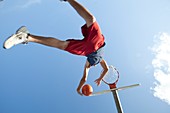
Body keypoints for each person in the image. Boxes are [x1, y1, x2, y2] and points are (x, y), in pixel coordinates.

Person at [3, 0, 109, 95]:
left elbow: (97, 73)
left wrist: (81, 87)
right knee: (87, 22)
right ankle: (28, 37)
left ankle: (26, 37)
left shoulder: (91, 62)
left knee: (89, 20)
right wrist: (98, 79)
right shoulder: (95, 61)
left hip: (92, 45)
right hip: (94, 44)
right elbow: (94, 74)